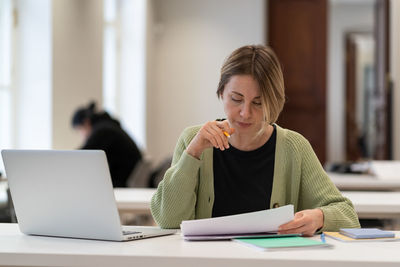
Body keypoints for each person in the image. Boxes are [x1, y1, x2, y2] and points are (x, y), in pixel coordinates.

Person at [150, 45, 360, 235]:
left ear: (274, 101)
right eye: (236, 99)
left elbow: (348, 216)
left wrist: (320, 218)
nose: (245, 113)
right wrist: (192, 154)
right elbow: (169, 221)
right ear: (222, 92)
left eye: (258, 103)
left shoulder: (293, 147)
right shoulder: (192, 140)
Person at [71, 102, 142, 187]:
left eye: (80, 130)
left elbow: (82, 155)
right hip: (130, 174)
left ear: (86, 122)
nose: (81, 135)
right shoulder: (107, 125)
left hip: (126, 178)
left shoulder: (103, 130)